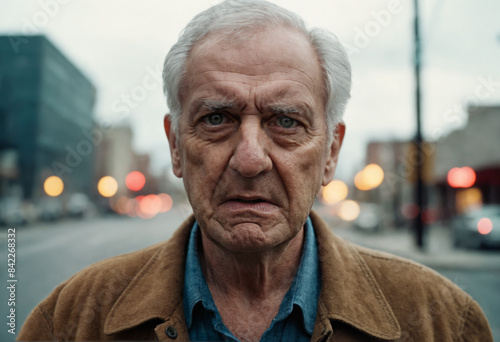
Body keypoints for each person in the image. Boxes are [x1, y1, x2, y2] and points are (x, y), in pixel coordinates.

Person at [19, 0, 493, 341]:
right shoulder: (73, 320)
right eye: (217, 119)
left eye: (286, 121)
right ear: (175, 146)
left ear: (330, 153)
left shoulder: (443, 323)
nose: (250, 159)